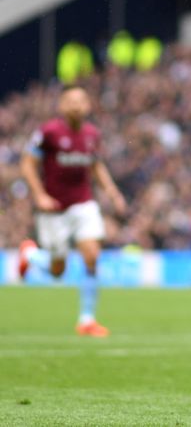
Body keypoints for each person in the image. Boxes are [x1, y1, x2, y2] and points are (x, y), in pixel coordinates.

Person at [19, 85, 127, 337]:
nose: (76, 105)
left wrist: (112, 192)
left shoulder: (92, 134)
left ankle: (87, 320)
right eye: (71, 101)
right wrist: (39, 195)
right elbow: (27, 164)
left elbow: (96, 166)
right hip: (53, 208)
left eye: (81, 100)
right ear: (61, 106)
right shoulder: (48, 133)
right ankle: (30, 256)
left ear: (88, 105)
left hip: (83, 203)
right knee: (58, 271)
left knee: (91, 255)